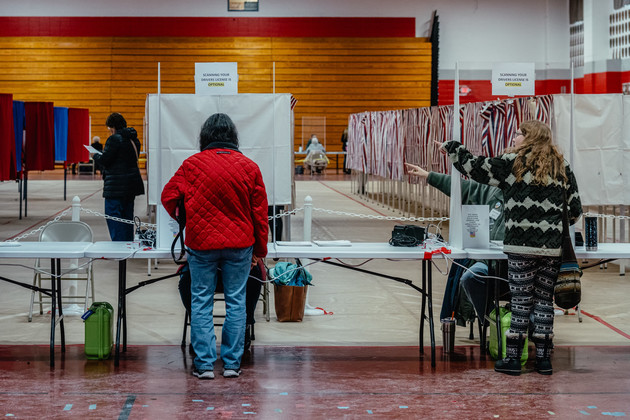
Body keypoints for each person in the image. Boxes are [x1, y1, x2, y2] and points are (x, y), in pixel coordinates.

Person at [439, 120, 582, 376]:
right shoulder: (562, 166)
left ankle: (513, 359)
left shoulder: (511, 163)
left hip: (520, 247)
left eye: (518, 133)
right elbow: (574, 211)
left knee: (520, 302)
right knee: (543, 302)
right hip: (550, 250)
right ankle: (544, 361)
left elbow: (475, 167)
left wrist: (452, 148)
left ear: (528, 138)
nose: (514, 137)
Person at [161, 113, 269, 380]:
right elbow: (260, 214)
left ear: (204, 137)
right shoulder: (249, 166)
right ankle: (232, 364)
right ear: (233, 136)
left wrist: (184, 216)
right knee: (236, 302)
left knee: (201, 301)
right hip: (240, 243)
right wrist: (260, 250)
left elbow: (168, 196)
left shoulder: (192, 165)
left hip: (201, 243)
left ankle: (205, 365)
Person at [404, 163, 505, 323]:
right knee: (469, 278)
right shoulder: (493, 189)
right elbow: (465, 188)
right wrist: (430, 176)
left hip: (520, 264)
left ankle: (523, 324)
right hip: (490, 264)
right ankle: (494, 321)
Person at [92, 113, 145, 241]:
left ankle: (118, 247)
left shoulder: (114, 139)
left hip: (116, 185)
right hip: (131, 184)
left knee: (114, 217)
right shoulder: (134, 140)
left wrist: (94, 155)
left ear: (112, 126)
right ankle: (127, 245)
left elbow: (105, 160)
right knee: (127, 218)